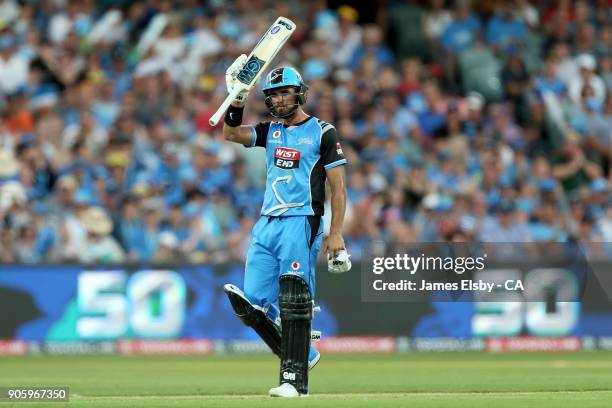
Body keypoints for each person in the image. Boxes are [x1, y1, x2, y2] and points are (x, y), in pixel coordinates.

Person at [221, 58, 350, 398]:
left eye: (284, 93)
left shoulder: (323, 132)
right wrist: (237, 98)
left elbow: (339, 188)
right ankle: (305, 353)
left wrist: (335, 232)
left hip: (302, 219)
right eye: (272, 95)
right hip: (267, 223)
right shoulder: (270, 131)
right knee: (251, 304)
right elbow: (231, 133)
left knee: (294, 295)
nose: (278, 99)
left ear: (300, 93)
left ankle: (294, 381)